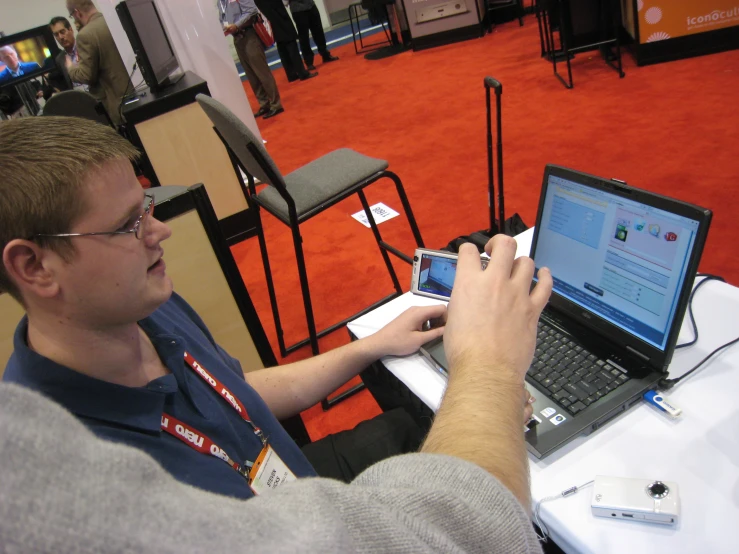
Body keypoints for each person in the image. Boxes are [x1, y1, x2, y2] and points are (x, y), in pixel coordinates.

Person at [0, 119, 551, 552]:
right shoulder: (97, 493)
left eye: (146, 206)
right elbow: (478, 532)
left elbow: (234, 392)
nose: (159, 230)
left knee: (416, 421)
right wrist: (489, 368)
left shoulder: (141, 308)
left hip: (298, 490)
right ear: (35, 268)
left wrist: (371, 345)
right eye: (128, 225)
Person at [65, 0, 132, 125]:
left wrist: (71, 68)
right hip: (137, 95)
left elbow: (86, 75)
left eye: (71, 16)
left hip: (119, 106)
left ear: (77, 12)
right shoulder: (114, 20)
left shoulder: (85, 35)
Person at [220, 0, 284, 120]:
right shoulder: (221, 2)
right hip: (237, 38)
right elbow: (222, 18)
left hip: (249, 35)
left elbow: (251, 10)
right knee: (251, 75)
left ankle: (276, 104)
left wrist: (236, 25)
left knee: (262, 72)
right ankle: (264, 104)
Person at [255, 0, 317, 82]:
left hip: (268, 14)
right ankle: (302, 72)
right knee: (290, 41)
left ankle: (291, 74)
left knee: (281, 44)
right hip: (277, 12)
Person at [288, 0, 339, 71]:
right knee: (304, 36)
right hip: (297, 9)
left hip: (311, 5)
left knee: (318, 31)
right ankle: (309, 62)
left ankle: (325, 54)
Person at [47, 15, 88, 94]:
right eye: (56, 34)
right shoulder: (60, 59)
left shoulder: (85, 46)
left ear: (71, 30)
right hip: (78, 98)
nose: (60, 37)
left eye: (62, 32)